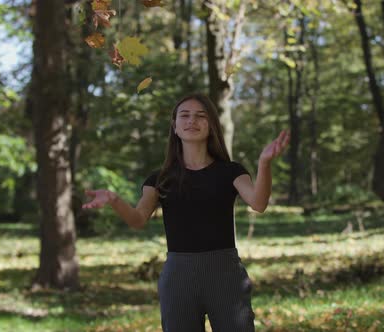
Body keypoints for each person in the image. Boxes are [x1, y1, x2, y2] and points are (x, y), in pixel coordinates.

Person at [82, 93, 289, 332]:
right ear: (175, 126)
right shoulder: (160, 179)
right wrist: (113, 199)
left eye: (201, 116)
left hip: (225, 274)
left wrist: (264, 163)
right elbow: (138, 219)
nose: (192, 121)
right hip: (178, 276)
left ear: (211, 125)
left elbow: (259, 203)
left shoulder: (231, 171)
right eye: (185, 115)